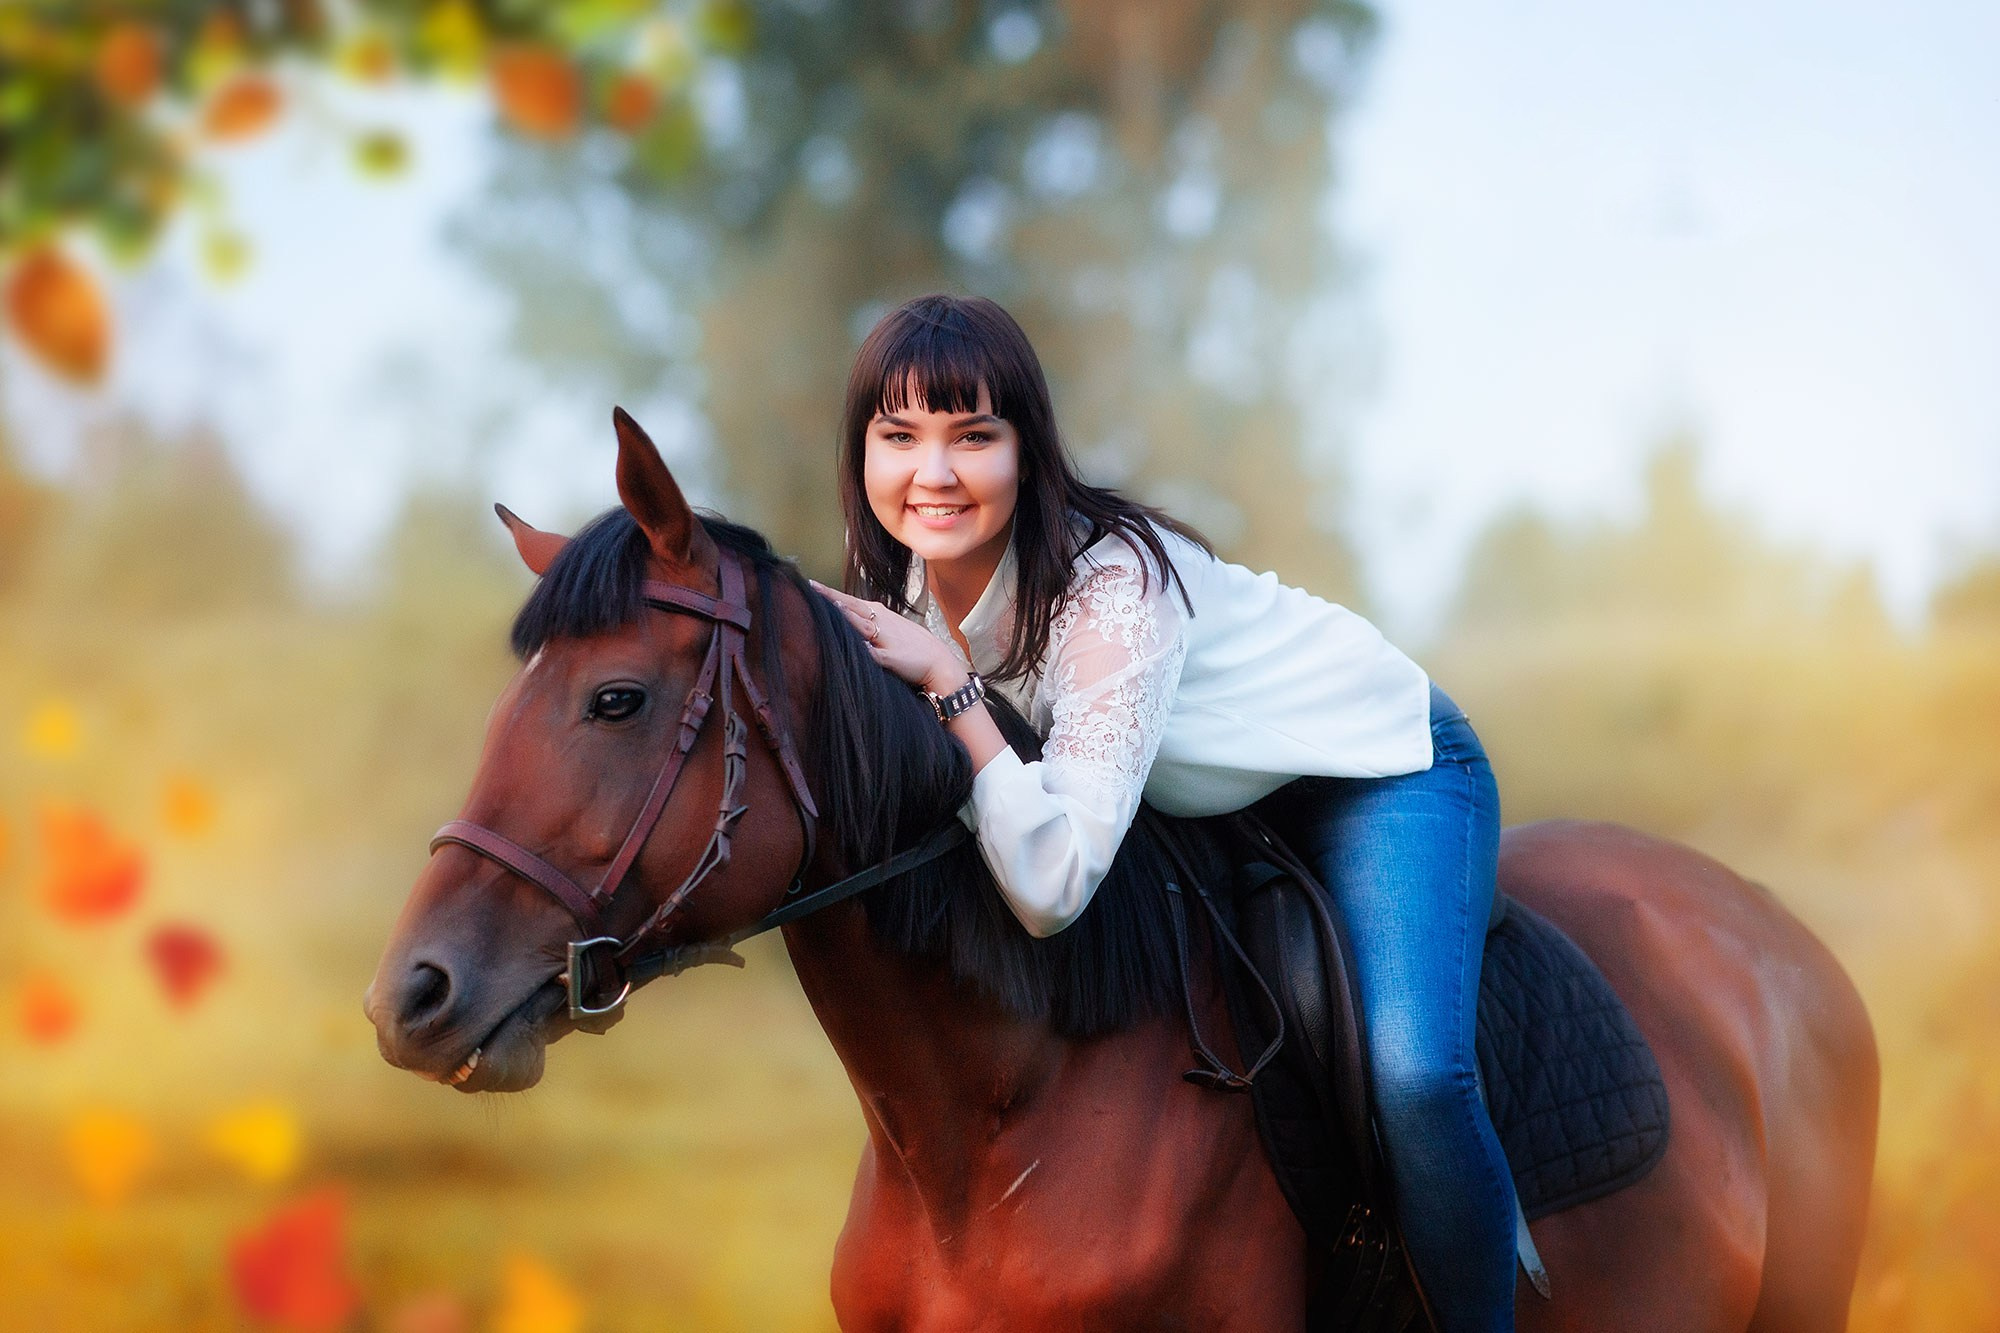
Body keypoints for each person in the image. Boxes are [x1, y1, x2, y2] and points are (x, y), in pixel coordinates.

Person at [811, 293, 1517, 1333]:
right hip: (1202, 799)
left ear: (1027, 448)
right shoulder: (897, 587)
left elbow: (1049, 888)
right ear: (861, 453)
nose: (934, 473)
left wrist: (951, 689)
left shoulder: (1111, 587)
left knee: (1415, 1073)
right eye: (898, 437)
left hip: (1374, 770)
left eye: (973, 435)